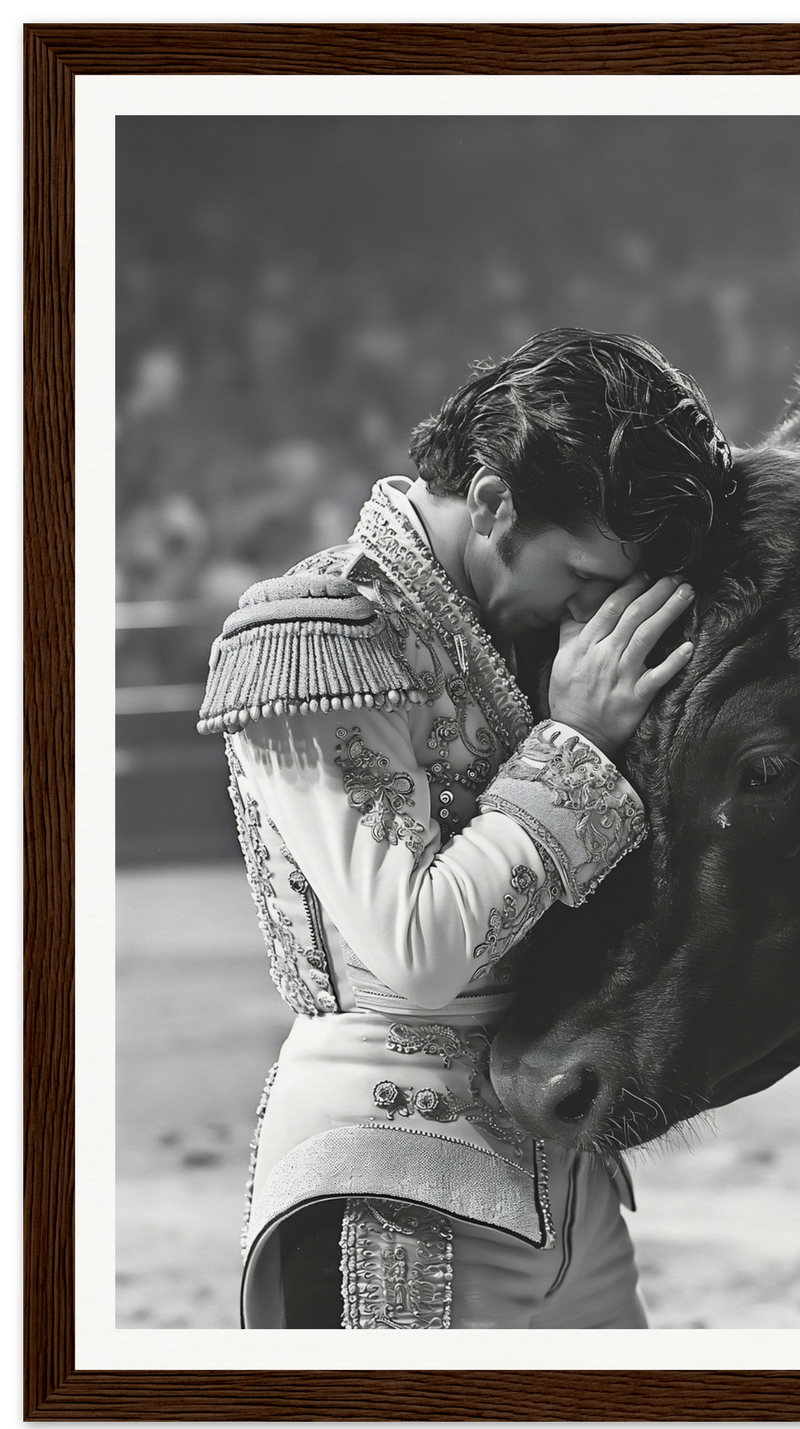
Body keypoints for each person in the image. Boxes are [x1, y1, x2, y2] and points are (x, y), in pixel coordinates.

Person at [198, 329, 736, 1328]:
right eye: (580, 572)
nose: (592, 608)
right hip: (391, 1181)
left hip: (568, 1183)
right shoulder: (324, 632)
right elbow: (419, 951)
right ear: (491, 501)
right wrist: (573, 739)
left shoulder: (511, 631)